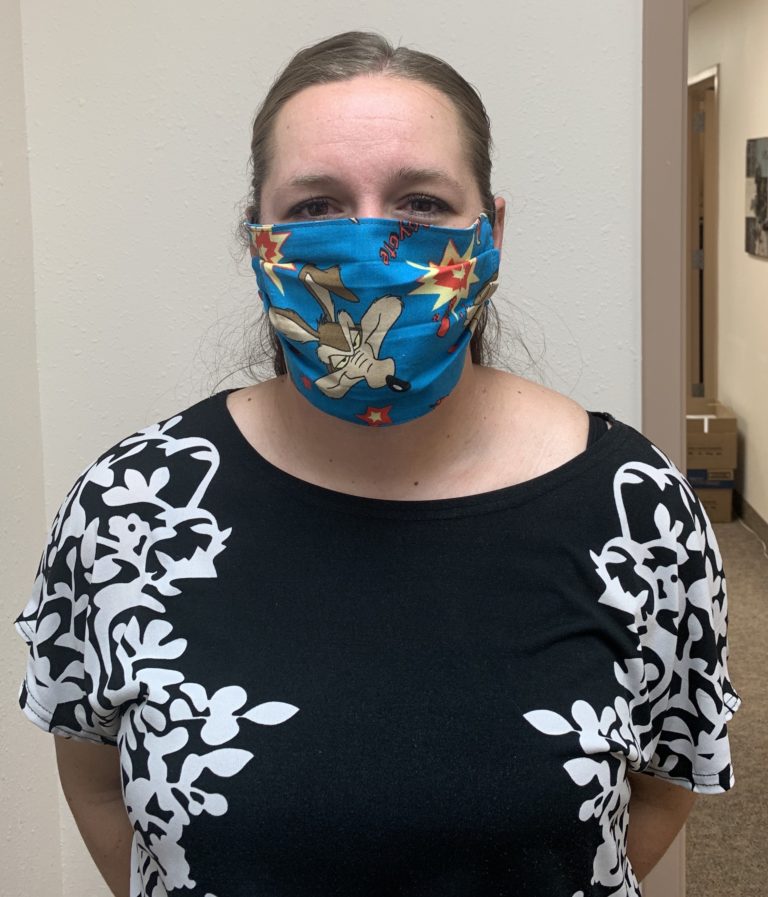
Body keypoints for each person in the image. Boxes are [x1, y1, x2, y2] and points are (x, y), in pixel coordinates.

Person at [14, 31, 739, 897]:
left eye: (422, 202)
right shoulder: (130, 508)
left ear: (491, 232)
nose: (368, 243)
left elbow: (657, 791)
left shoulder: (636, 508)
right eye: (317, 205)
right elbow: (97, 780)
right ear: (258, 238)